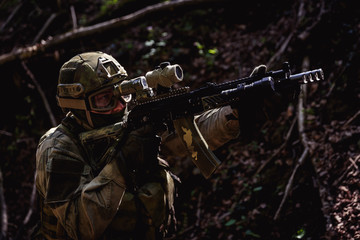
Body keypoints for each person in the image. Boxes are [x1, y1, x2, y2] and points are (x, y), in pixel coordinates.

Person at [34, 51, 263, 239]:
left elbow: (184, 138)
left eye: (121, 93)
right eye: (104, 99)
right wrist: (123, 163)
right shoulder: (58, 147)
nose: (117, 106)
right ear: (75, 105)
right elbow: (80, 226)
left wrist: (233, 115)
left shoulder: (131, 122)